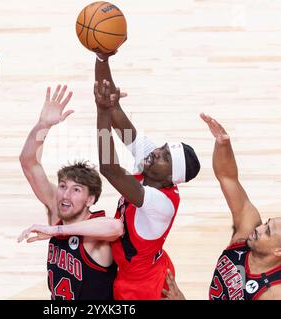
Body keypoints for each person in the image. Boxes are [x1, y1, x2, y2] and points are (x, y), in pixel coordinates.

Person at [21, 54, 201, 300]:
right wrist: (102, 58)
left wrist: (101, 109)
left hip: (143, 286)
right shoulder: (152, 166)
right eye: (162, 148)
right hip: (137, 270)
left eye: (165, 157)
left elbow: (109, 168)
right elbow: (116, 111)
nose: (155, 152)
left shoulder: (161, 203)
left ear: (170, 178)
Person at [162, 113, 281, 300]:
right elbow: (228, 177)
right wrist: (223, 144)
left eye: (267, 231)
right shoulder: (246, 234)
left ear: (278, 251)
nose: (258, 227)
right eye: (266, 223)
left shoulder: (273, 292)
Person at [18, 84, 120, 300]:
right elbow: (29, 163)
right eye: (63, 186)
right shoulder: (58, 212)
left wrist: (56, 232)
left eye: (76, 190)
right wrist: (42, 125)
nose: (65, 194)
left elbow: (115, 227)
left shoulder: (97, 234)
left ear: (90, 199)